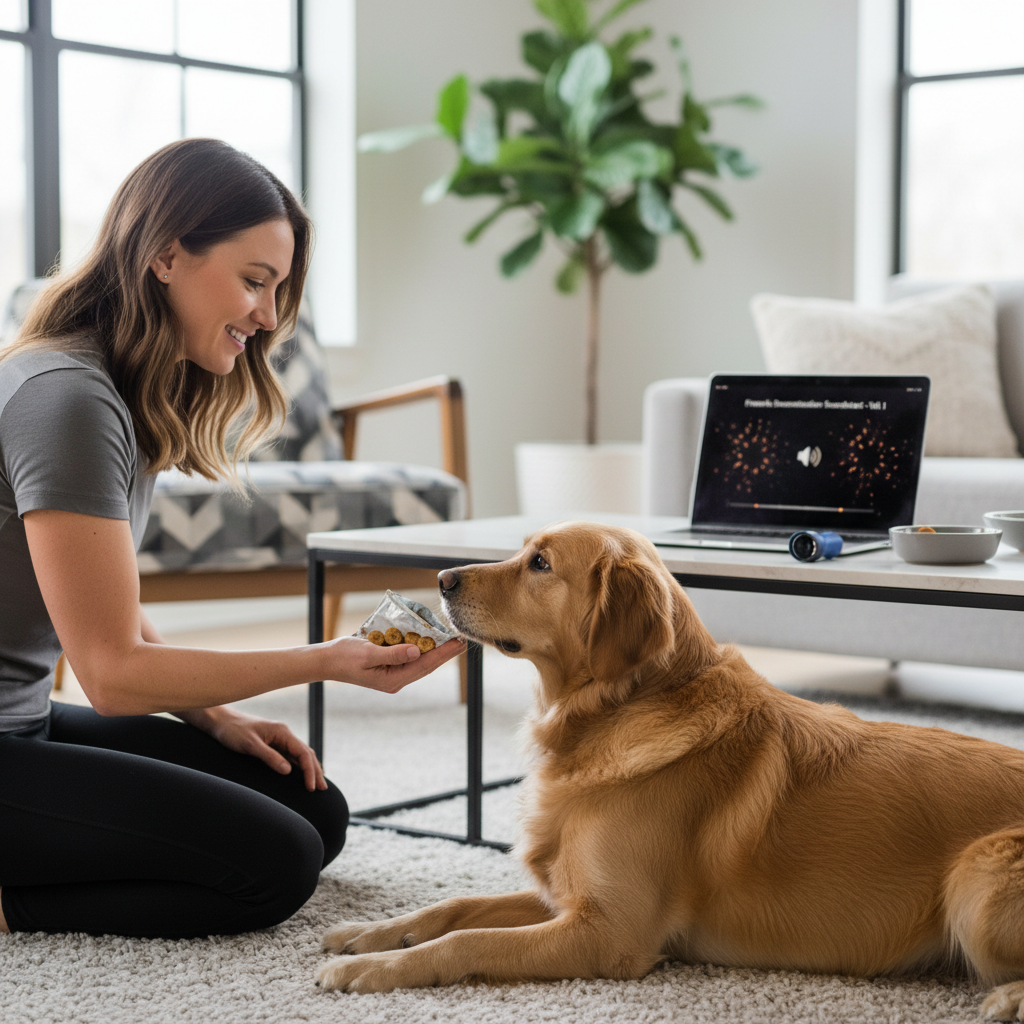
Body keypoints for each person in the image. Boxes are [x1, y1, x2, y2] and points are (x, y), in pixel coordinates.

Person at [0, 138, 464, 940]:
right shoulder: (65, 399)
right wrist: (329, 659)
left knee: (312, 811)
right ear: (166, 256)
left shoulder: (112, 388)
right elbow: (110, 674)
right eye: (254, 282)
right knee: (272, 865)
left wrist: (216, 717)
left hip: (22, 722)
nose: (269, 316)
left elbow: (103, 612)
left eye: (278, 289)